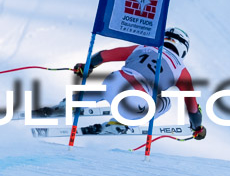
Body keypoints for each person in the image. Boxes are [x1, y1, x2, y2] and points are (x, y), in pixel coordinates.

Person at [72, 27, 206, 139]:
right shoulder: (181, 70)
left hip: (113, 83)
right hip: (134, 104)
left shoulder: (143, 47)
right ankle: (122, 124)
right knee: (166, 102)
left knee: (116, 79)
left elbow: (104, 55)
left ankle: (76, 101)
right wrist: (197, 127)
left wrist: (86, 66)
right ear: (183, 48)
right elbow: (192, 108)